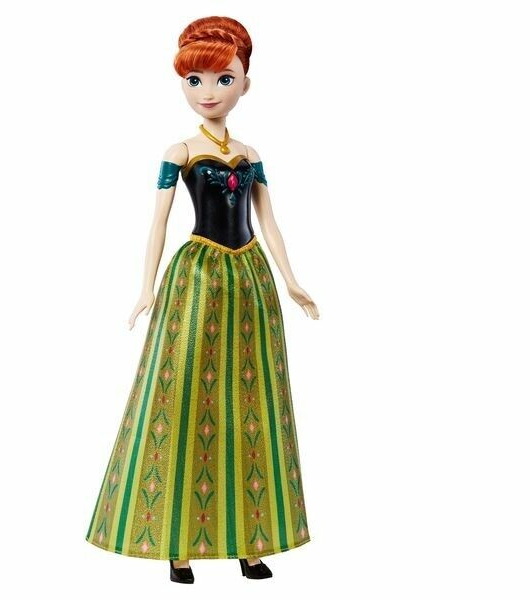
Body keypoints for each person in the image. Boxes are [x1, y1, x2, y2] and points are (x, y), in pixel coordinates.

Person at [85, 15, 319, 584]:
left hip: (250, 279)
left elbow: (268, 220)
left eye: (222, 79)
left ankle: (251, 540)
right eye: (195, 81)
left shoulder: (251, 152)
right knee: (183, 396)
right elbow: (158, 223)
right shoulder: (180, 150)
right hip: (197, 276)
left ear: (244, 83)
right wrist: (146, 287)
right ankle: (178, 544)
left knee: (251, 399)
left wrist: (291, 279)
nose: (208, 92)